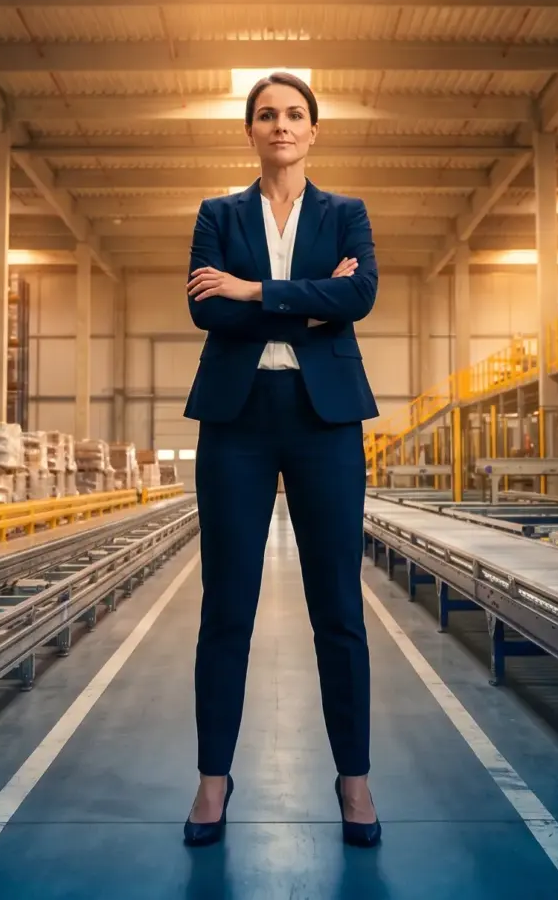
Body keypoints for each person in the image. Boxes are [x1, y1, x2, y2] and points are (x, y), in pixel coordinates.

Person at [180, 71, 382, 850]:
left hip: (323, 421)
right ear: (251, 130)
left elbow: (359, 297)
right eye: (267, 114)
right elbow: (204, 307)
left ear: (314, 129)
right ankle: (213, 778)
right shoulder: (218, 213)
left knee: (337, 607)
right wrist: (306, 298)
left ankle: (354, 777)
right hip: (236, 422)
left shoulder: (346, 214)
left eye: (295, 114)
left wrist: (252, 290)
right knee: (225, 606)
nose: (282, 125)